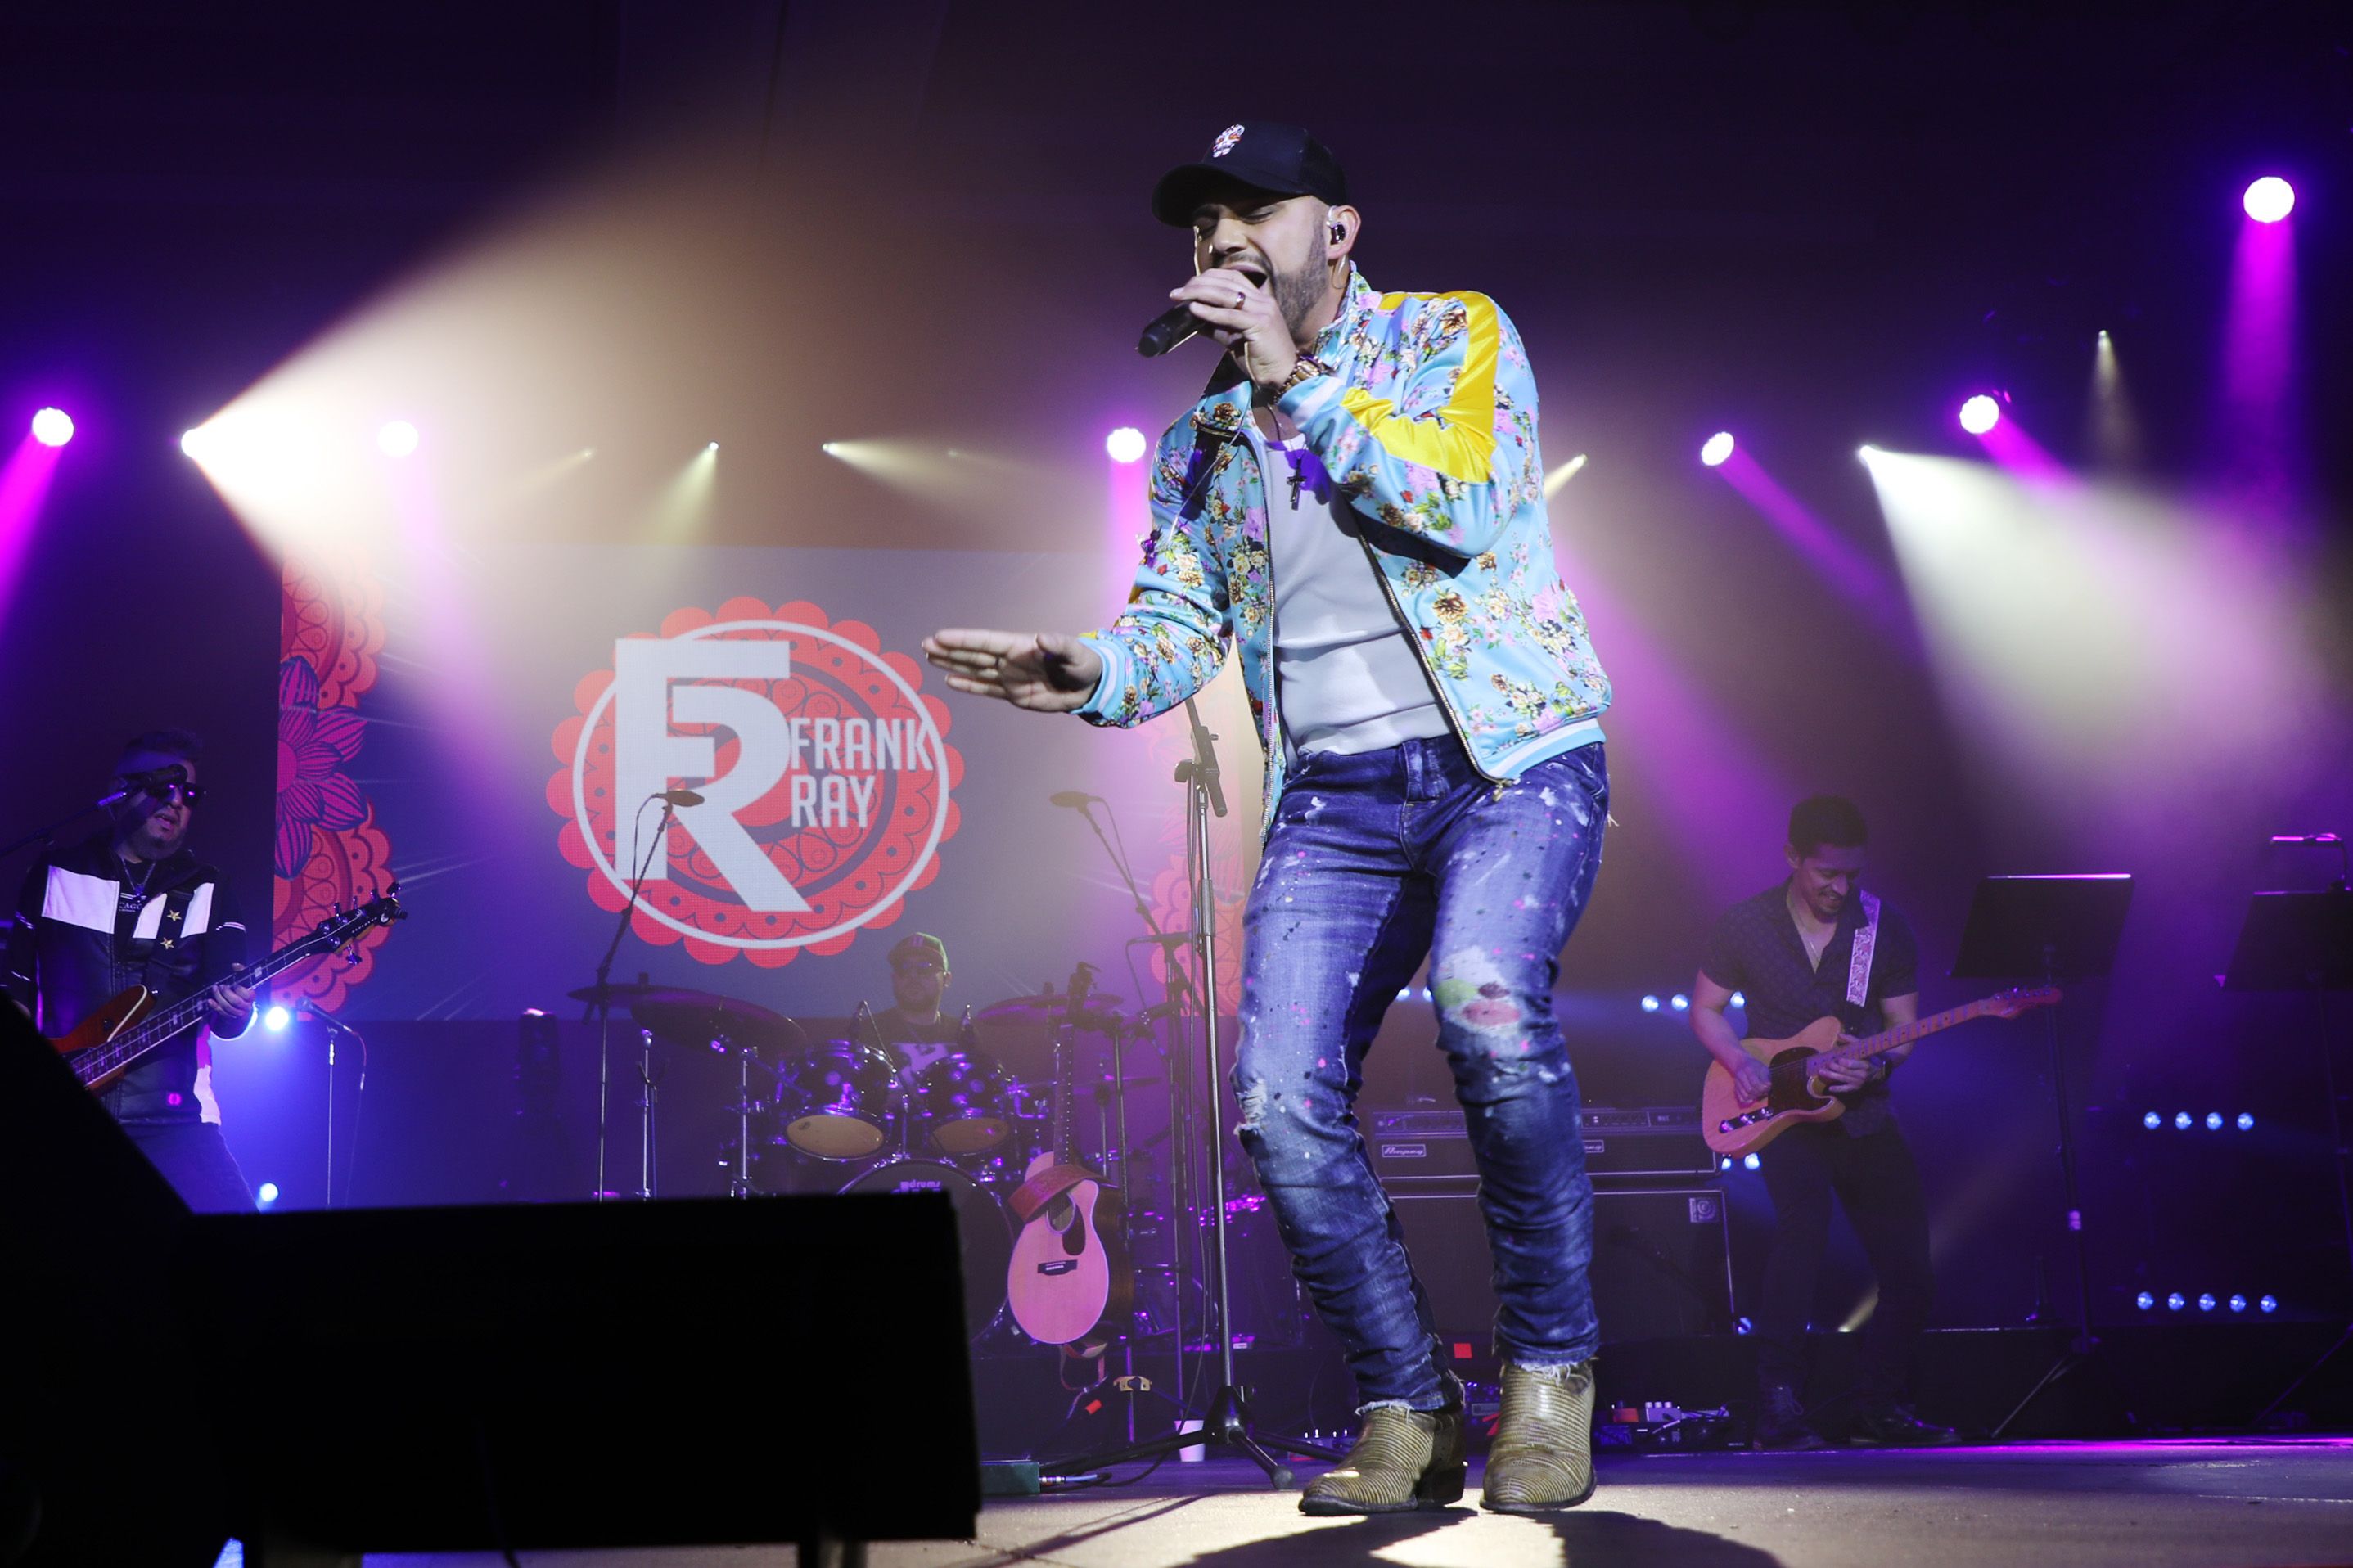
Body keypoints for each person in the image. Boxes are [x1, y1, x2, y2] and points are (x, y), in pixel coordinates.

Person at [925, 122, 1614, 1514]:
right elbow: (1177, 622)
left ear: (1337, 233)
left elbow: (1466, 510)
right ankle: (1405, 1401)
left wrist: (1296, 382)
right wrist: (1093, 671)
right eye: (1202, 226)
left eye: (1258, 213)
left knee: (1486, 999)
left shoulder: (1450, 338)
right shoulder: (1205, 438)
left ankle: (1551, 1376)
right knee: (1280, 1104)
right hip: (1339, 795)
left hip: (1510, 760)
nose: (1224, 240)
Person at [1688, 795, 1956, 1446]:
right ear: (1792, 858)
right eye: (1826, 874)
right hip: (1783, 1112)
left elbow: (1901, 1028)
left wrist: (1878, 1068)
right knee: (1799, 1240)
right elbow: (1705, 1009)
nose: (1841, 889)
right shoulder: (1744, 924)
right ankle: (1778, 1406)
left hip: (1861, 1114)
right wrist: (1737, 1061)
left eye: (1852, 876)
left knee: (1909, 1271)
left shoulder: (1880, 928)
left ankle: (1877, 1408)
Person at [5, 729, 258, 1211]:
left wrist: (237, 1009)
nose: (176, 800)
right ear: (118, 791)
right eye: (162, 785)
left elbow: (230, 1021)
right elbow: (16, 990)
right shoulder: (55, 873)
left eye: (189, 793)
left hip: (177, 1125)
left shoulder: (211, 888)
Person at [867, 931, 961, 1072]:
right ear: (894, 978)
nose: (913, 976)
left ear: (946, 979)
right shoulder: (870, 1031)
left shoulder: (962, 1034)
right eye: (903, 968)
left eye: (925, 967)